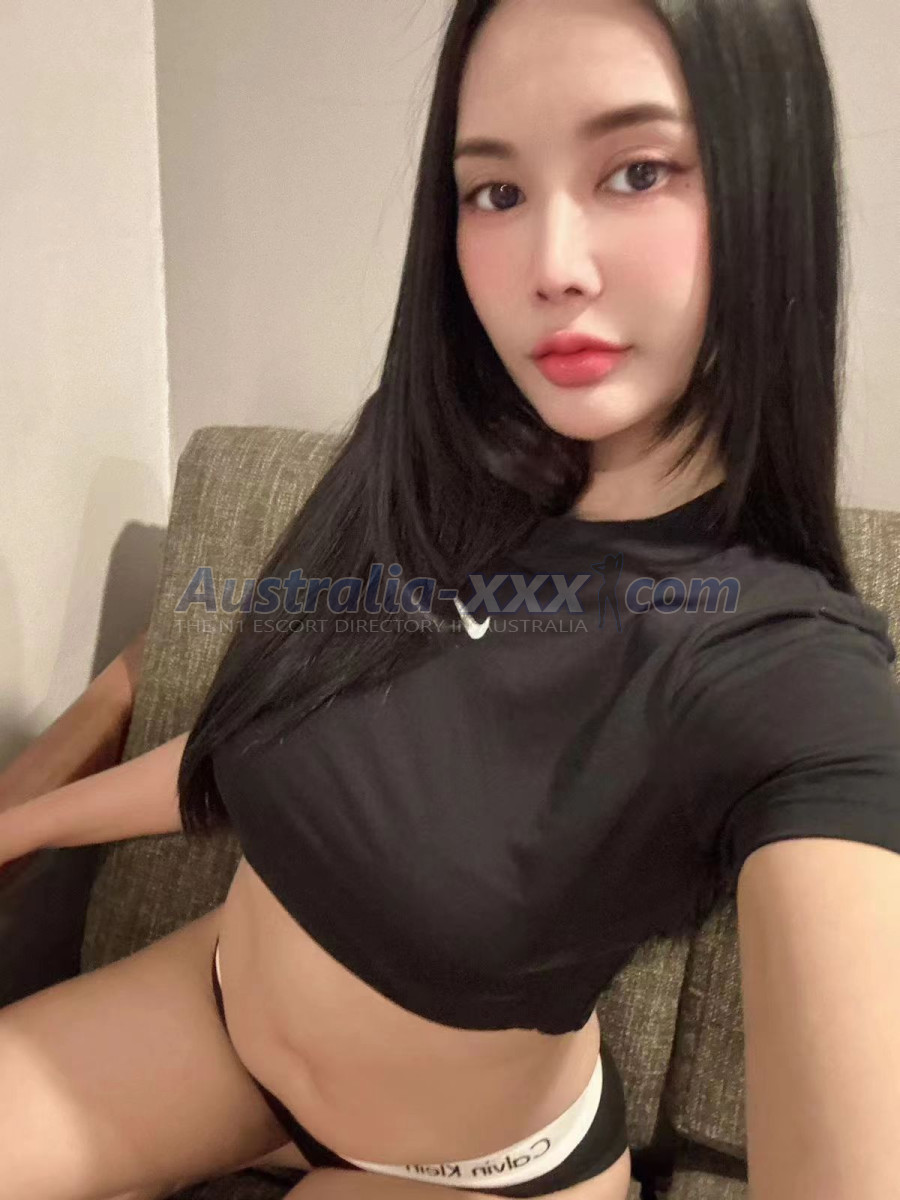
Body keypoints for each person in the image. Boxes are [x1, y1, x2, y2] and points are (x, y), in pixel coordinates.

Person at [1, 1, 899, 1198]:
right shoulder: (423, 466)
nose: (552, 266)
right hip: (216, 1023)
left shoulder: (786, 670)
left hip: (472, 1169)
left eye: (638, 171)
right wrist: (26, 822)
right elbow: (265, 737)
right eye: (497, 191)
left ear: (768, 182)